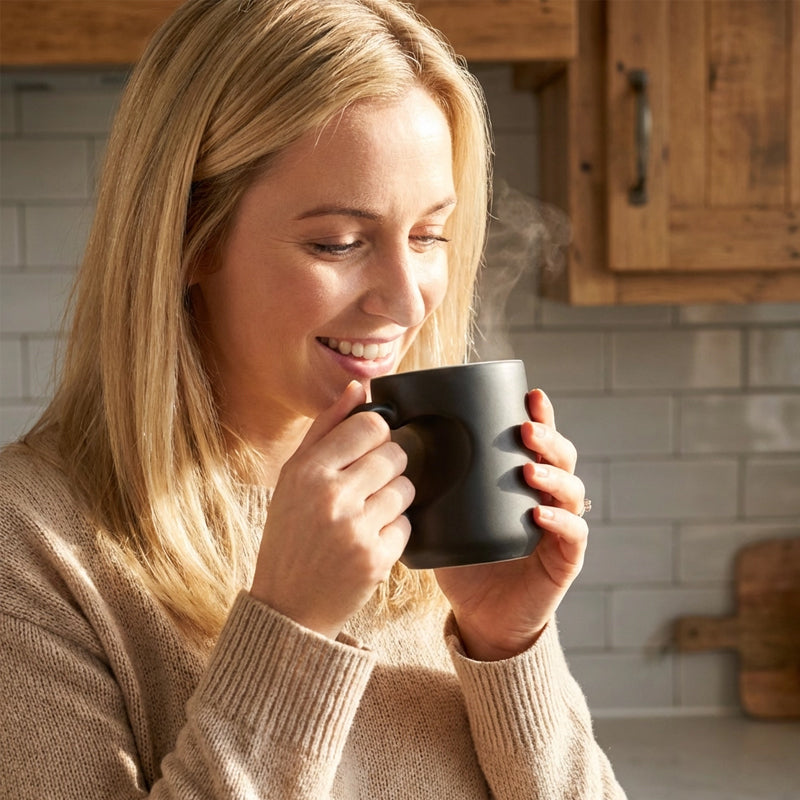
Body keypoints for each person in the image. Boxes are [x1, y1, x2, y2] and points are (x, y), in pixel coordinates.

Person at [0, 0, 626, 797]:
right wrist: (289, 631)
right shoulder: (30, 549)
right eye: (339, 242)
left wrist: (509, 645)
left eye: (430, 234)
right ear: (190, 238)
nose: (407, 300)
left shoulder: (437, 519)